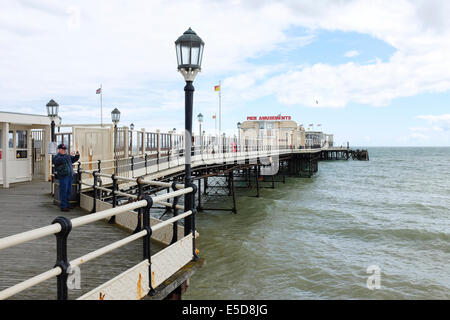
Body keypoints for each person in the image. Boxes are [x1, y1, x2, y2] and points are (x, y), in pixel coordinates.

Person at [53, 144, 80, 211]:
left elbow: (73, 160)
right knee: (63, 191)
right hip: (63, 176)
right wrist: (69, 155)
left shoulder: (66, 156)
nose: (64, 151)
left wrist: (77, 155)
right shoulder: (57, 157)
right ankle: (63, 206)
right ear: (59, 150)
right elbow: (60, 160)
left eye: (65, 149)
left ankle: (67, 205)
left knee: (68, 191)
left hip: (69, 176)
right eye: (62, 149)